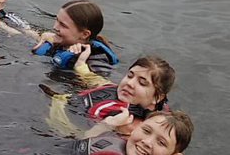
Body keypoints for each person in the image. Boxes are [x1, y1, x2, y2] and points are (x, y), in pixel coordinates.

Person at [46, 55, 175, 139]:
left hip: (56, 121)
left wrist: (108, 125)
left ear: (157, 98)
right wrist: (80, 62)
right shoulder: (116, 89)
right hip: (62, 100)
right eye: (130, 76)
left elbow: (81, 139)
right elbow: (91, 78)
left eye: (142, 83)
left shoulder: (129, 125)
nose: (130, 83)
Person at [31, 0, 118, 74]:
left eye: (63, 25)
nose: (55, 27)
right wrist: (43, 38)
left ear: (84, 34)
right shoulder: (61, 42)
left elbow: (103, 87)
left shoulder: (95, 60)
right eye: (57, 20)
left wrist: (80, 65)